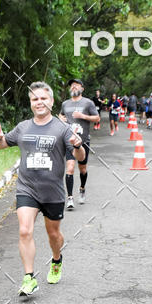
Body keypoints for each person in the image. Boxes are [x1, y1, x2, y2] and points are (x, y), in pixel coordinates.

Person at [0, 82, 85, 296]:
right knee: (25, 230)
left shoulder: (63, 129)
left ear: (51, 102)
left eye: (43, 98)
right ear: (31, 103)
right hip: (27, 189)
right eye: (35, 99)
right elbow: (4, 143)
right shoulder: (23, 127)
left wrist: (78, 146)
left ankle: (57, 259)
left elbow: (81, 157)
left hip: (52, 192)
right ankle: (29, 278)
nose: (39, 102)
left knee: (54, 235)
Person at [59, 78, 99, 209]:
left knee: (82, 169)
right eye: (72, 86)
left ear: (82, 88)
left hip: (83, 141)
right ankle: (70, 198)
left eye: (76, 85)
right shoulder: (65, 104)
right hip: (69, 140)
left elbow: (97, 118)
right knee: (70, 168)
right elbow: (61, 116)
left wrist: (83, 116)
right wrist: (60, 119)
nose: (74, 87)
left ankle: (82, 188)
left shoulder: (88, 103)